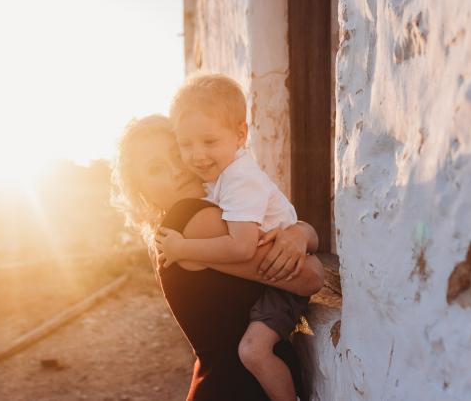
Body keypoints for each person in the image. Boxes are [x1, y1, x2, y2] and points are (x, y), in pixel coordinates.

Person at [111, 114, 324, 400]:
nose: (176, 170)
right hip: (238, 389)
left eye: (177, 154)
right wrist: (302, 234)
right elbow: (310, 277)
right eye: (156, 168)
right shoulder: (193, 220)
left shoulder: (198, 217)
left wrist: (301, 232)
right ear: (141, 191)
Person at [155, 74, 308, 401]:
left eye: (209, 142)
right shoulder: (221, 178)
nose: (197, 155)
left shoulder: (240, 179)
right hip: (266, 279)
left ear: (241, 134)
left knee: (253, 350)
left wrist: (183, 248)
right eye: (186, 144)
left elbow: (241, 246)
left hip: (280, 286)